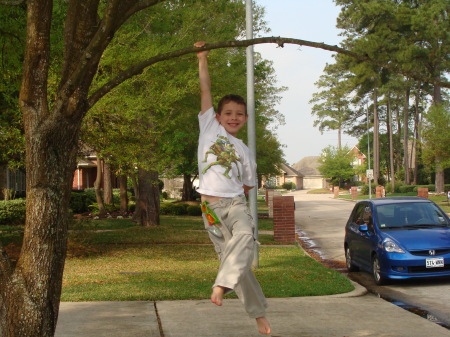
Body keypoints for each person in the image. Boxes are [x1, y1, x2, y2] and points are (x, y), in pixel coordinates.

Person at [194, 41, 271, 335]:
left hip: (235, 204)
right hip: (210, 209)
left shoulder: (244, 150)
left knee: (244, 237)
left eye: (240, 114)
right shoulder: (209, 129)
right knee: (237, 263)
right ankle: (258, 313)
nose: (234, 117)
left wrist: (237, 199)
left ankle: (221, 283)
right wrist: (202, 58)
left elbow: (248, 185)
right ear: (217, 116)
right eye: (228, 113)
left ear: (246, 119)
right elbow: (205, 91)